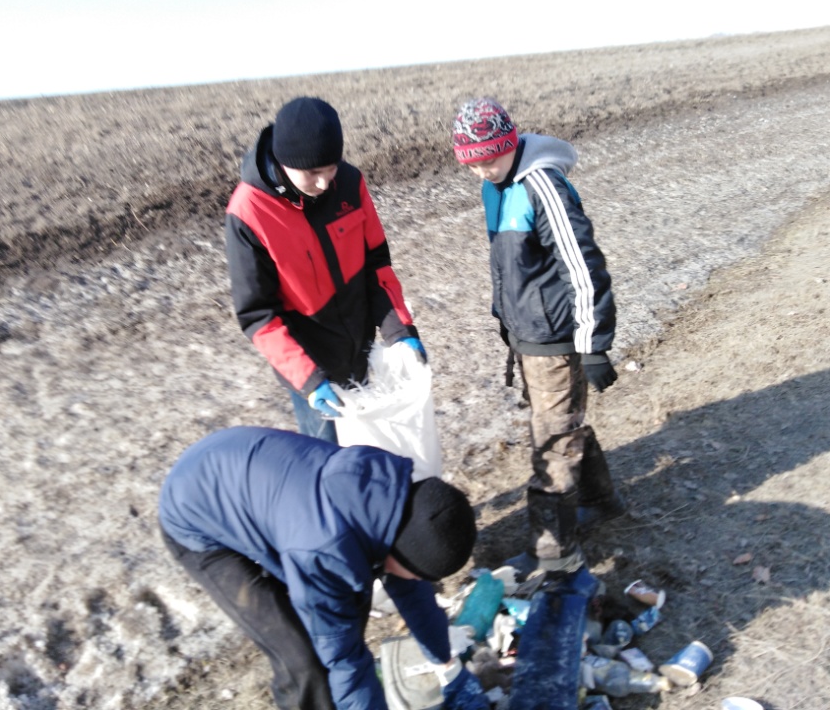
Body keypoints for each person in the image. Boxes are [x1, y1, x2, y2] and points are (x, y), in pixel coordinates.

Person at [158, 426, 488, 710]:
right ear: (400, 553)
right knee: (302, 659)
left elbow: (413, 593)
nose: (418, 580)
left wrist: (446, 664)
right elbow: (344, 658)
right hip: (195, 517)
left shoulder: (391, 505)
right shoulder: (325, 552)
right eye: (417, 572)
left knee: (345, 606)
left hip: (239, 475)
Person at [451, 97, 626, 579]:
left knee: (552, 441)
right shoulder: (495, 188)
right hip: (529, 335)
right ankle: (599, 499)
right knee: (560, 423)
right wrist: (507, 322)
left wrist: (593, 343)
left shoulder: (542, 186)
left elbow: (582, 265)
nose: (482, 170)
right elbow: (512, 265)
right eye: (472, 163)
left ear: (510, 144)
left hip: (558, 339)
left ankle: (554, 552)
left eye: (489, 159)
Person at [225, 96, 426, 443]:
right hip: (312, 367)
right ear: (284, 163)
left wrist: (399, 330)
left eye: (330, 168)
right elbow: (258, 316)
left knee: (372, 448)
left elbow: (376, 264)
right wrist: (309, 380)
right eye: (312, 173)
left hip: (360, 349)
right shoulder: (249, 213)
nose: (323, 183)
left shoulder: (348, 183)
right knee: (329, 456)